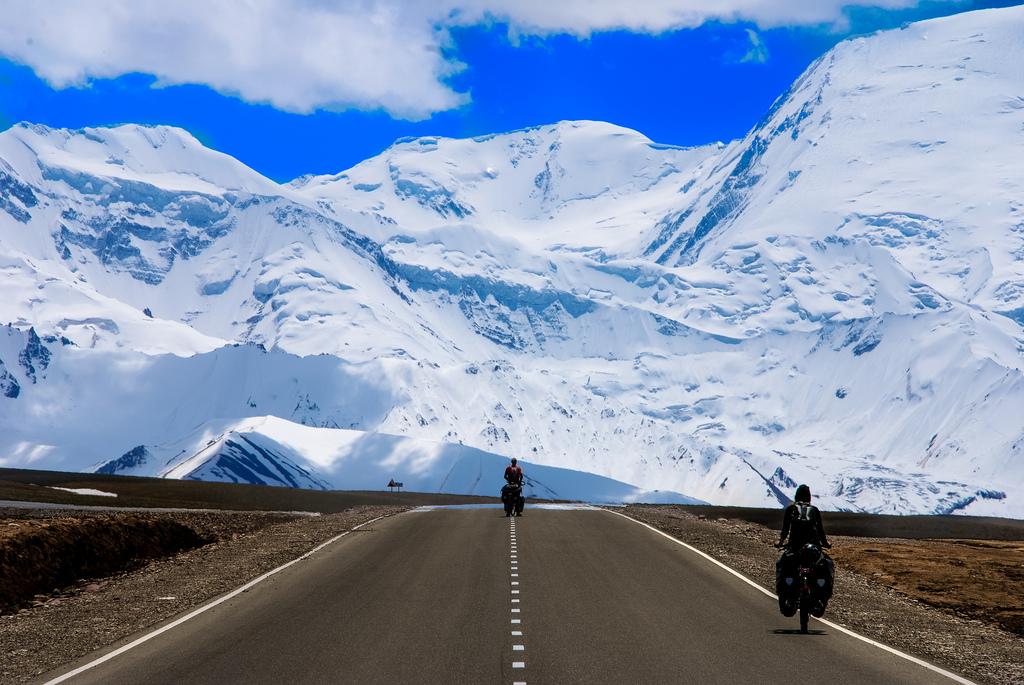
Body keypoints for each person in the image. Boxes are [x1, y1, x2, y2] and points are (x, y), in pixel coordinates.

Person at [775, 484, 834, 617]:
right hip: (813, 549)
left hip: (794, 548)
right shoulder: (814, 510)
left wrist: (780, 542)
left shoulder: (791, 509)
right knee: (827, 564)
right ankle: (822, 596)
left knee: (782, 563)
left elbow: (785, 529)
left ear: (796, 496)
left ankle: (784, 592)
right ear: (809, 497)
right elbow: (820, 531)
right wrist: (826, 544)